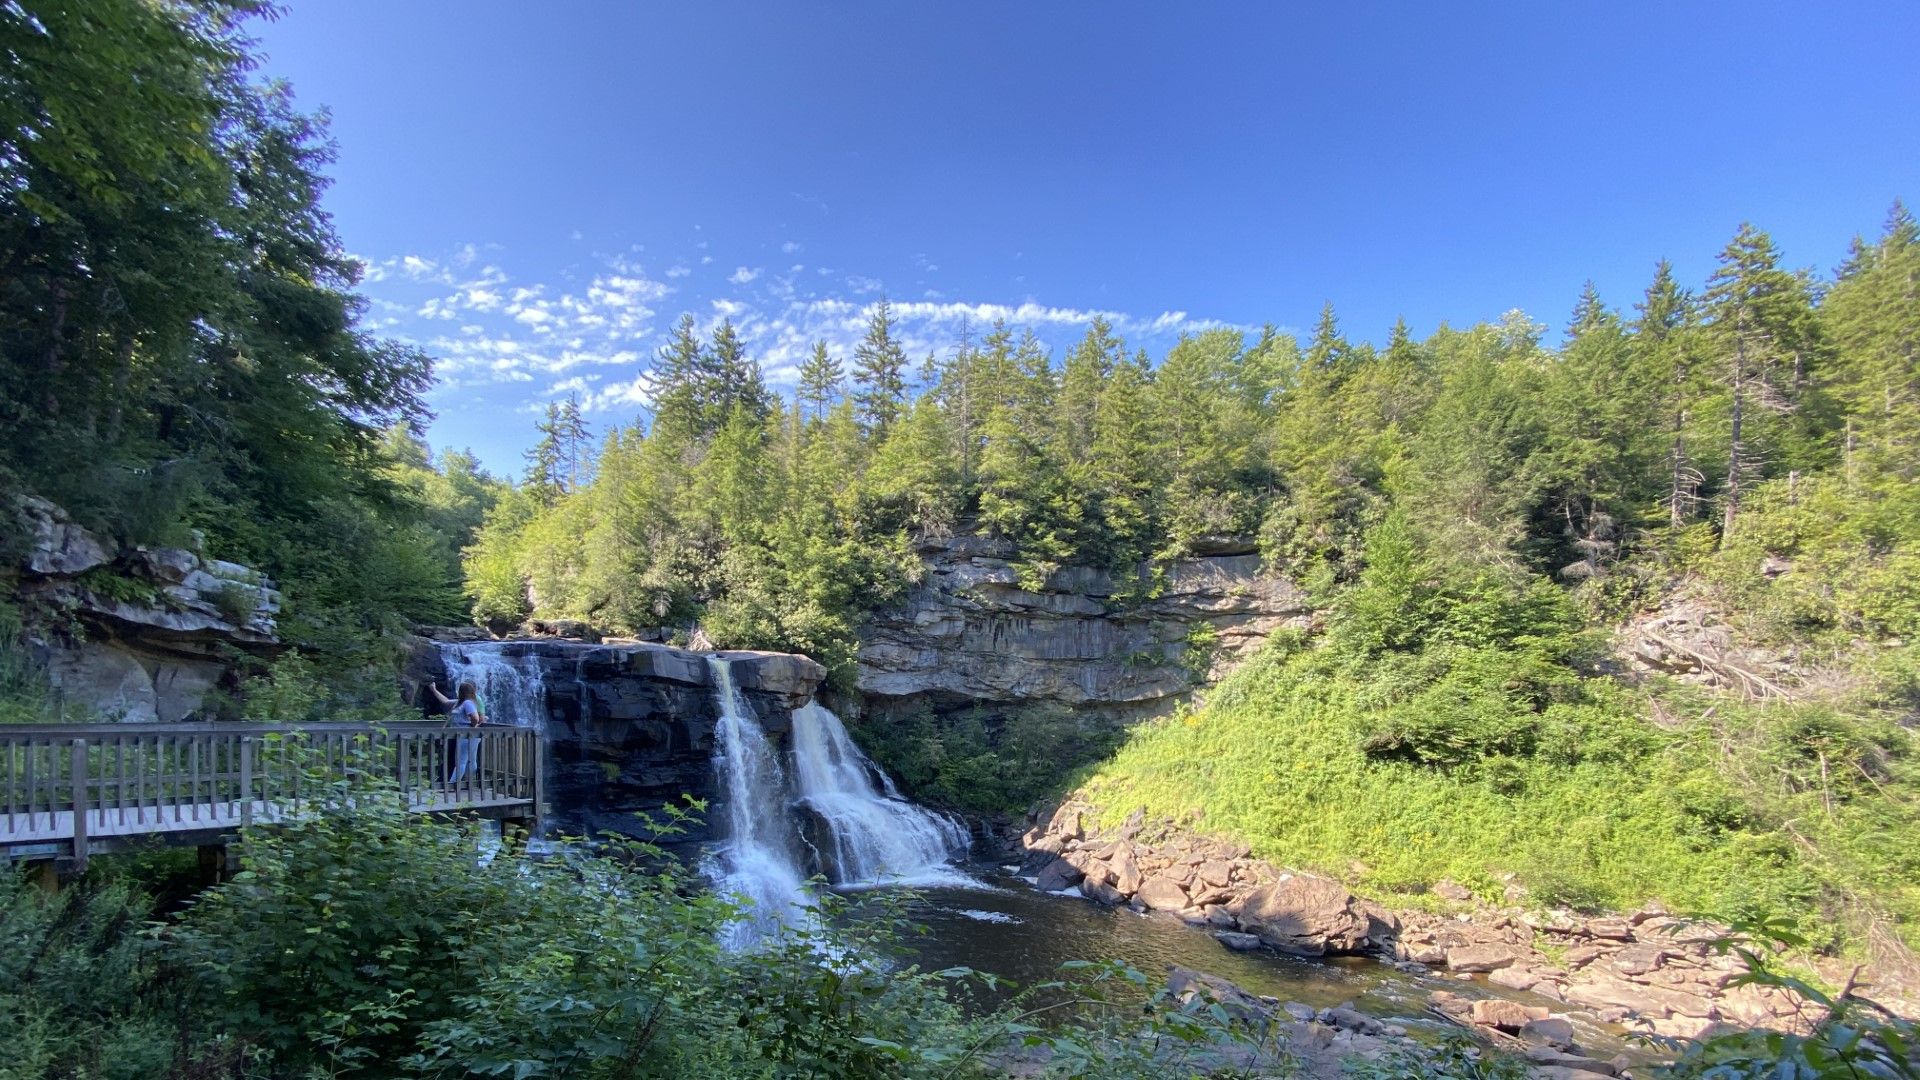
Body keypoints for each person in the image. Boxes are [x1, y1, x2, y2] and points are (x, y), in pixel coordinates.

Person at [428, 679, 485, 785]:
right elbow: (445, 701)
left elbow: (476, 718)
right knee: (470, 761)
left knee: (462, 761)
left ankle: (451, 785)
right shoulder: (460, 702)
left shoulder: (468, 703)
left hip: (467, 735)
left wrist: (472, 726)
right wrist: (434, 690)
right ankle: (470, 783)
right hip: (462, 735)